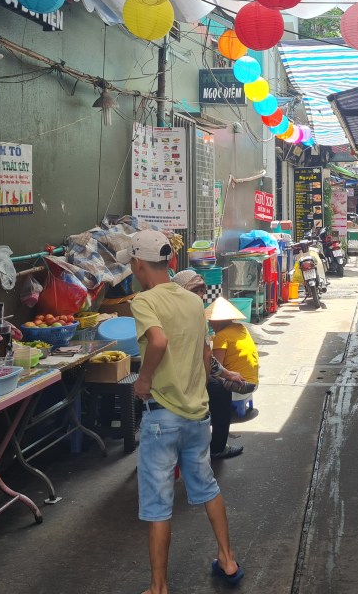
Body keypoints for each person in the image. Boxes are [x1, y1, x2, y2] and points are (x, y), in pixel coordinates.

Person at [117, 231, 243, 592]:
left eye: (132, 264)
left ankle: (159, 588)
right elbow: (205, 354)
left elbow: (158, 341)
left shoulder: (144, 301)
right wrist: (196, 388)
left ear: (139, 264)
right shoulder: (192, 301)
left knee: (158, 505)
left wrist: (144, 380)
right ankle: (228, 560)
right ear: (168, 262)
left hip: (162, 418)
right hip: (196, 415)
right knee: (207, 487)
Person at [171, 271, 251, 460]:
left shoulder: (170, 311)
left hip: (174, 379)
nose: (199, 296)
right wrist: (221, 376)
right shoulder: (193, 316)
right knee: (221, 391)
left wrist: (226, 373)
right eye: (195, 291)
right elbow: (206, 354)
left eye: (201, 291)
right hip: (183, 380)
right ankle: (218, 448)